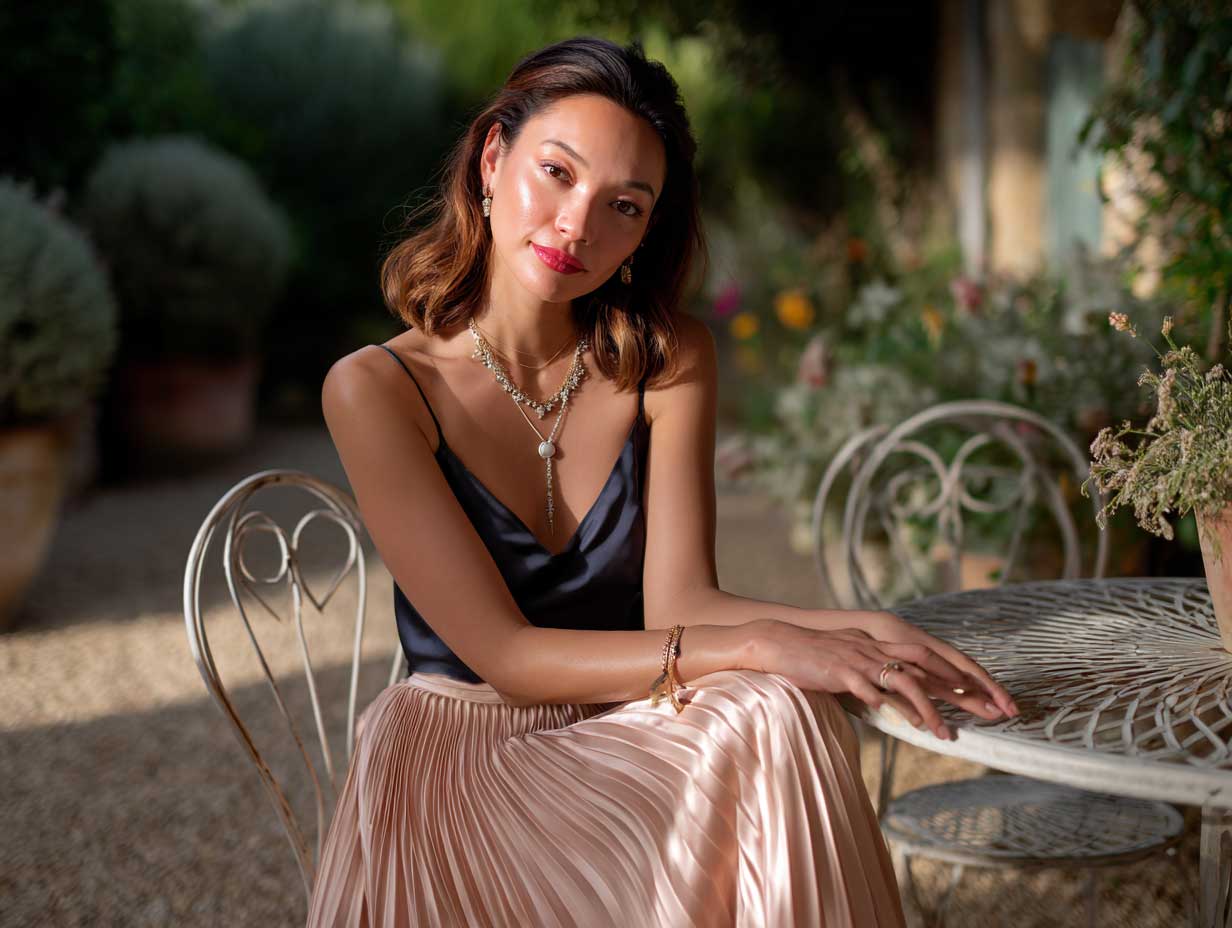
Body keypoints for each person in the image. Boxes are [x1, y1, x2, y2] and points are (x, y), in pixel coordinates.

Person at [306, 35, 1018, 928]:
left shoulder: (666, 359)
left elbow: (682, 603)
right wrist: (760, 647)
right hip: (463, 765)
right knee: (766, 694)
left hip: (623, 729)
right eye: (557, 173)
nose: (578, 226)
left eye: (624, 205)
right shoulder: (375, 388)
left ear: (646, 231)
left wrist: (864, 629)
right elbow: (509, 658)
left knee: (775, 710)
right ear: (492, 160)